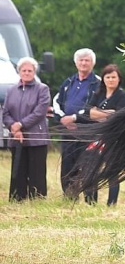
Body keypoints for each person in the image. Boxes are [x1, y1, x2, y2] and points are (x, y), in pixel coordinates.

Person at [53, 48, 100, 203]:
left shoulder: (98, 83)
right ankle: (69, 197)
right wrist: (62, 119)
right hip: (68, 132)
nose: (83, 63)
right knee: (68, 166)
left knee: (88, 166)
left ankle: (90, 200)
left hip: (88, 132)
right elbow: (56, 102)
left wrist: (74, 118)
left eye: (87, 60)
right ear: (75, 63)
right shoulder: (68, 82)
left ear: (92, 63)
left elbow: (94, 107)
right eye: (81, 60)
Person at [2, 57, 51, 201]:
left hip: (37, 138)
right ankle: (17, 199)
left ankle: (37, 200)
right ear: (19, 72)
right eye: (24, 70)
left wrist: (21, 125)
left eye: (30, 70)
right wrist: (14, 128)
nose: (27, 73)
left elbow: (39, 112)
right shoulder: (11, 90)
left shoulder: (42, 89)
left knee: (37, 172)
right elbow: (5, 112)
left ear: (34, 72)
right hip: (16, 138)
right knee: (18, 170)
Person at [85, 64, 125, 205]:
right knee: (90, 168)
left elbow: (119, 116)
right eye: (108, 77)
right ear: (103, 78)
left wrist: (100, 113)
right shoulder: (97, 94)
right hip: (95, 136)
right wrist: (108, 113)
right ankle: (90, 201)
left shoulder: (123, 96)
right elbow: (89, 113)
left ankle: (112, 203)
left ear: (119, 79)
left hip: (113, 138)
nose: (110, 80)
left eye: (113, 77)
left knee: (112, 171)